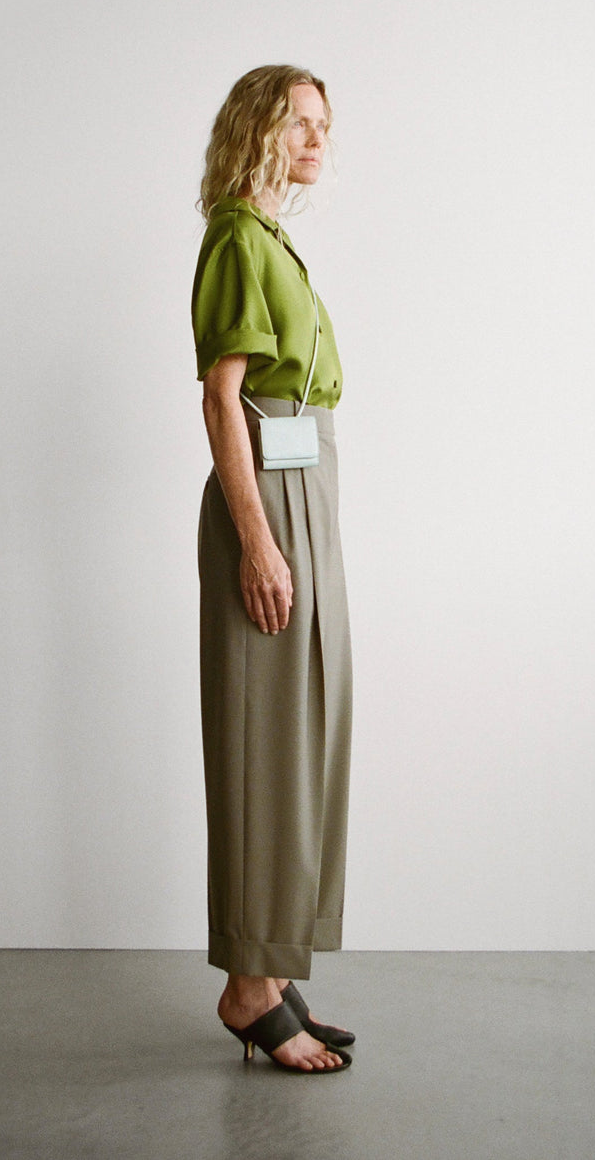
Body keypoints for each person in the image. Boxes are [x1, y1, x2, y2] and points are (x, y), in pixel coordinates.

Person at [192, 66, 354, 1074]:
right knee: (263, 739)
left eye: (325, 125)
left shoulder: (273, 241)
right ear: (258, 127)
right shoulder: (237, 241)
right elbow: (221, 398)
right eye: (301, 122)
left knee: (307, 730)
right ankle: (247, 986)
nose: (318, 139)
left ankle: (275, 958)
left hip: (307, 486)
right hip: (269, 494)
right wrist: (258, 541)